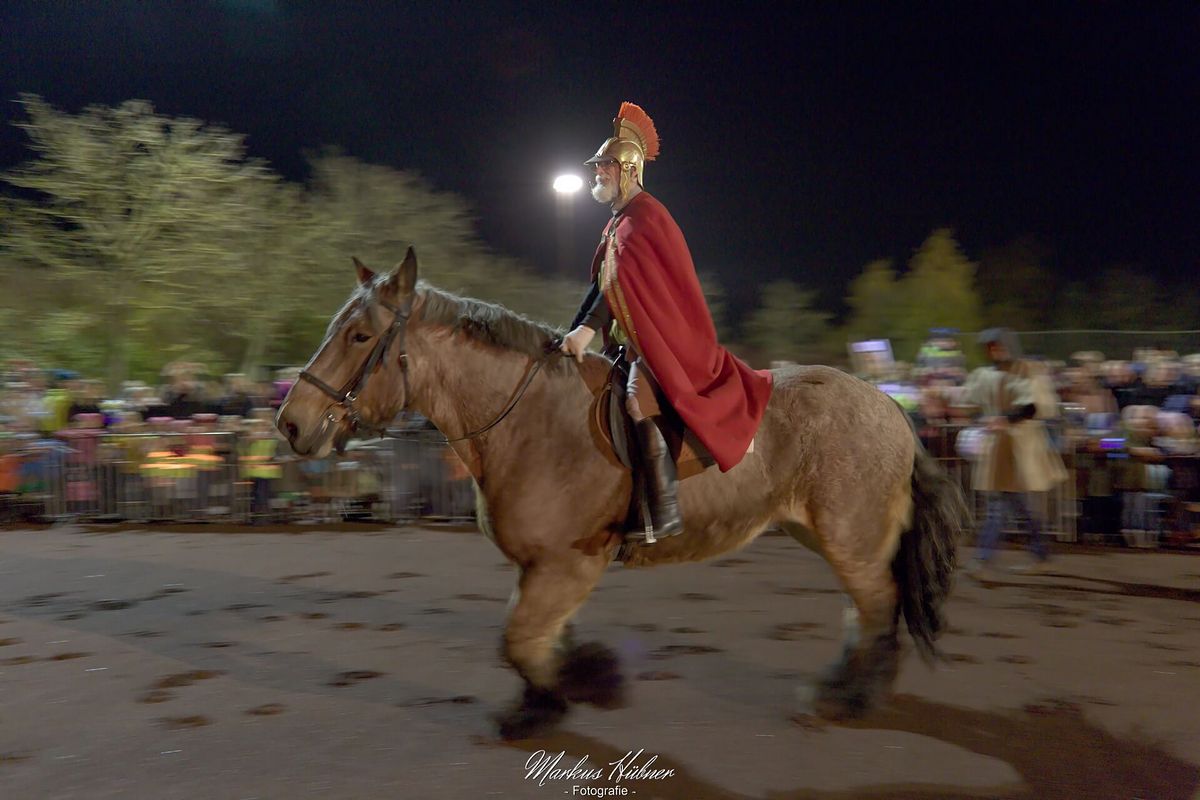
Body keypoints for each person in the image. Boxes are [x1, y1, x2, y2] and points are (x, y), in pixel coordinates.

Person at [559, 102, 773, 542]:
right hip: (624, 343)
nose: (596, 173)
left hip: (659, 345)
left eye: (604, 166)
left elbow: (622, 282)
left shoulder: (646, 218)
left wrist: (584, 329)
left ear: (628, 169)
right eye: (597, 166)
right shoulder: (619, 223)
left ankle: (661, 512)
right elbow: (602, 285)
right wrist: (575, 328)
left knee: (638, 401)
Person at [963, 328, 1067, 573]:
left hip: (1018, 448)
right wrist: (984, 419)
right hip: (998, 448)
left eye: (998, 346)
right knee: (1011, 503)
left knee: (1002, 503)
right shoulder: (985, 375)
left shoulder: (1026, 370)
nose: (995, 351)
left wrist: (1004, 419)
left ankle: (984, 557)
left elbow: (1032, 406)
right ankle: (1039, 551)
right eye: (991, 347)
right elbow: (973, 404)